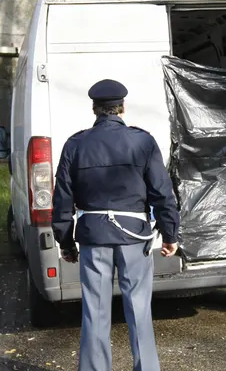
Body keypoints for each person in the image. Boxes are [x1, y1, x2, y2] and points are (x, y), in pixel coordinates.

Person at [51, 79, 181, 371]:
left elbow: (62, 199)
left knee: (94, 312)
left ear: (95, 109)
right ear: (122, 108)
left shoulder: (75, 144)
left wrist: (66, 241)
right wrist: (170, 233)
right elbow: (162, 191)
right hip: (134, 236)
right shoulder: (143, 141)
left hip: (94, 235)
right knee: (139, 308)